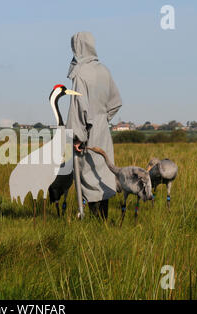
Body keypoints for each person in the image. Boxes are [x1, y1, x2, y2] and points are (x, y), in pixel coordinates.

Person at [66, 32, 122, 220]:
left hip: (87, 131)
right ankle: (102, 221)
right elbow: (116, 102)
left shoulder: (80, 73)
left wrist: (77, 136)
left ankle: (97, 222)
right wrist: (102, 119)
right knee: (102, 174)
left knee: (88, 175)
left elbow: (78, 107)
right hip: (103, 129)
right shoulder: (104, 70)